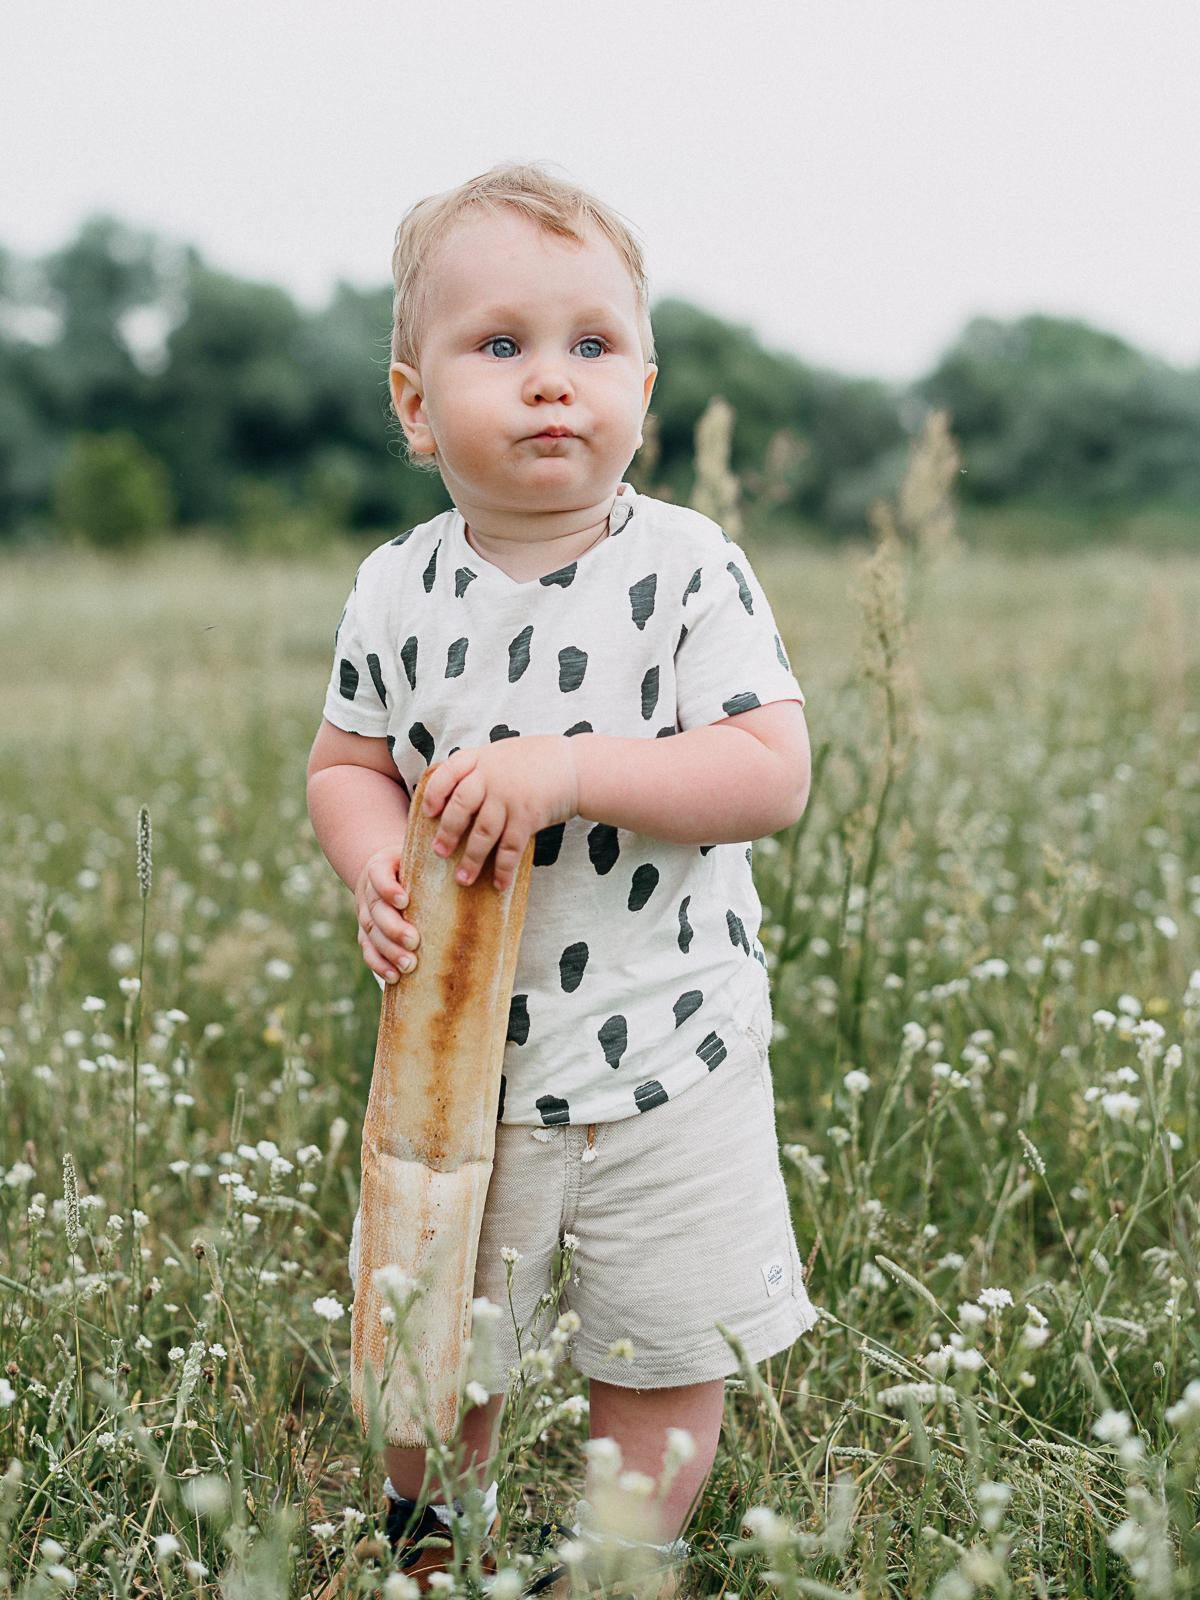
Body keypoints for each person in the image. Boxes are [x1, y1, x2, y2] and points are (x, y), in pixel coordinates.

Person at [306, 161, 819, 1597]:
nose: (551, 380)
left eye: (592, 345)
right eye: (501, 345)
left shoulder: (688, 570)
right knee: (429, 1357)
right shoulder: (396, 588)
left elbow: (768, 771)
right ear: (415, 404)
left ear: (642, 388)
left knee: (662, 1356)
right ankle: (430, 1553)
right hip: (461, 1075)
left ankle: (618, 1563)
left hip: (671, 1058)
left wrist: (575, 768)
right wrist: (372, 859)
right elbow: (346, 764)